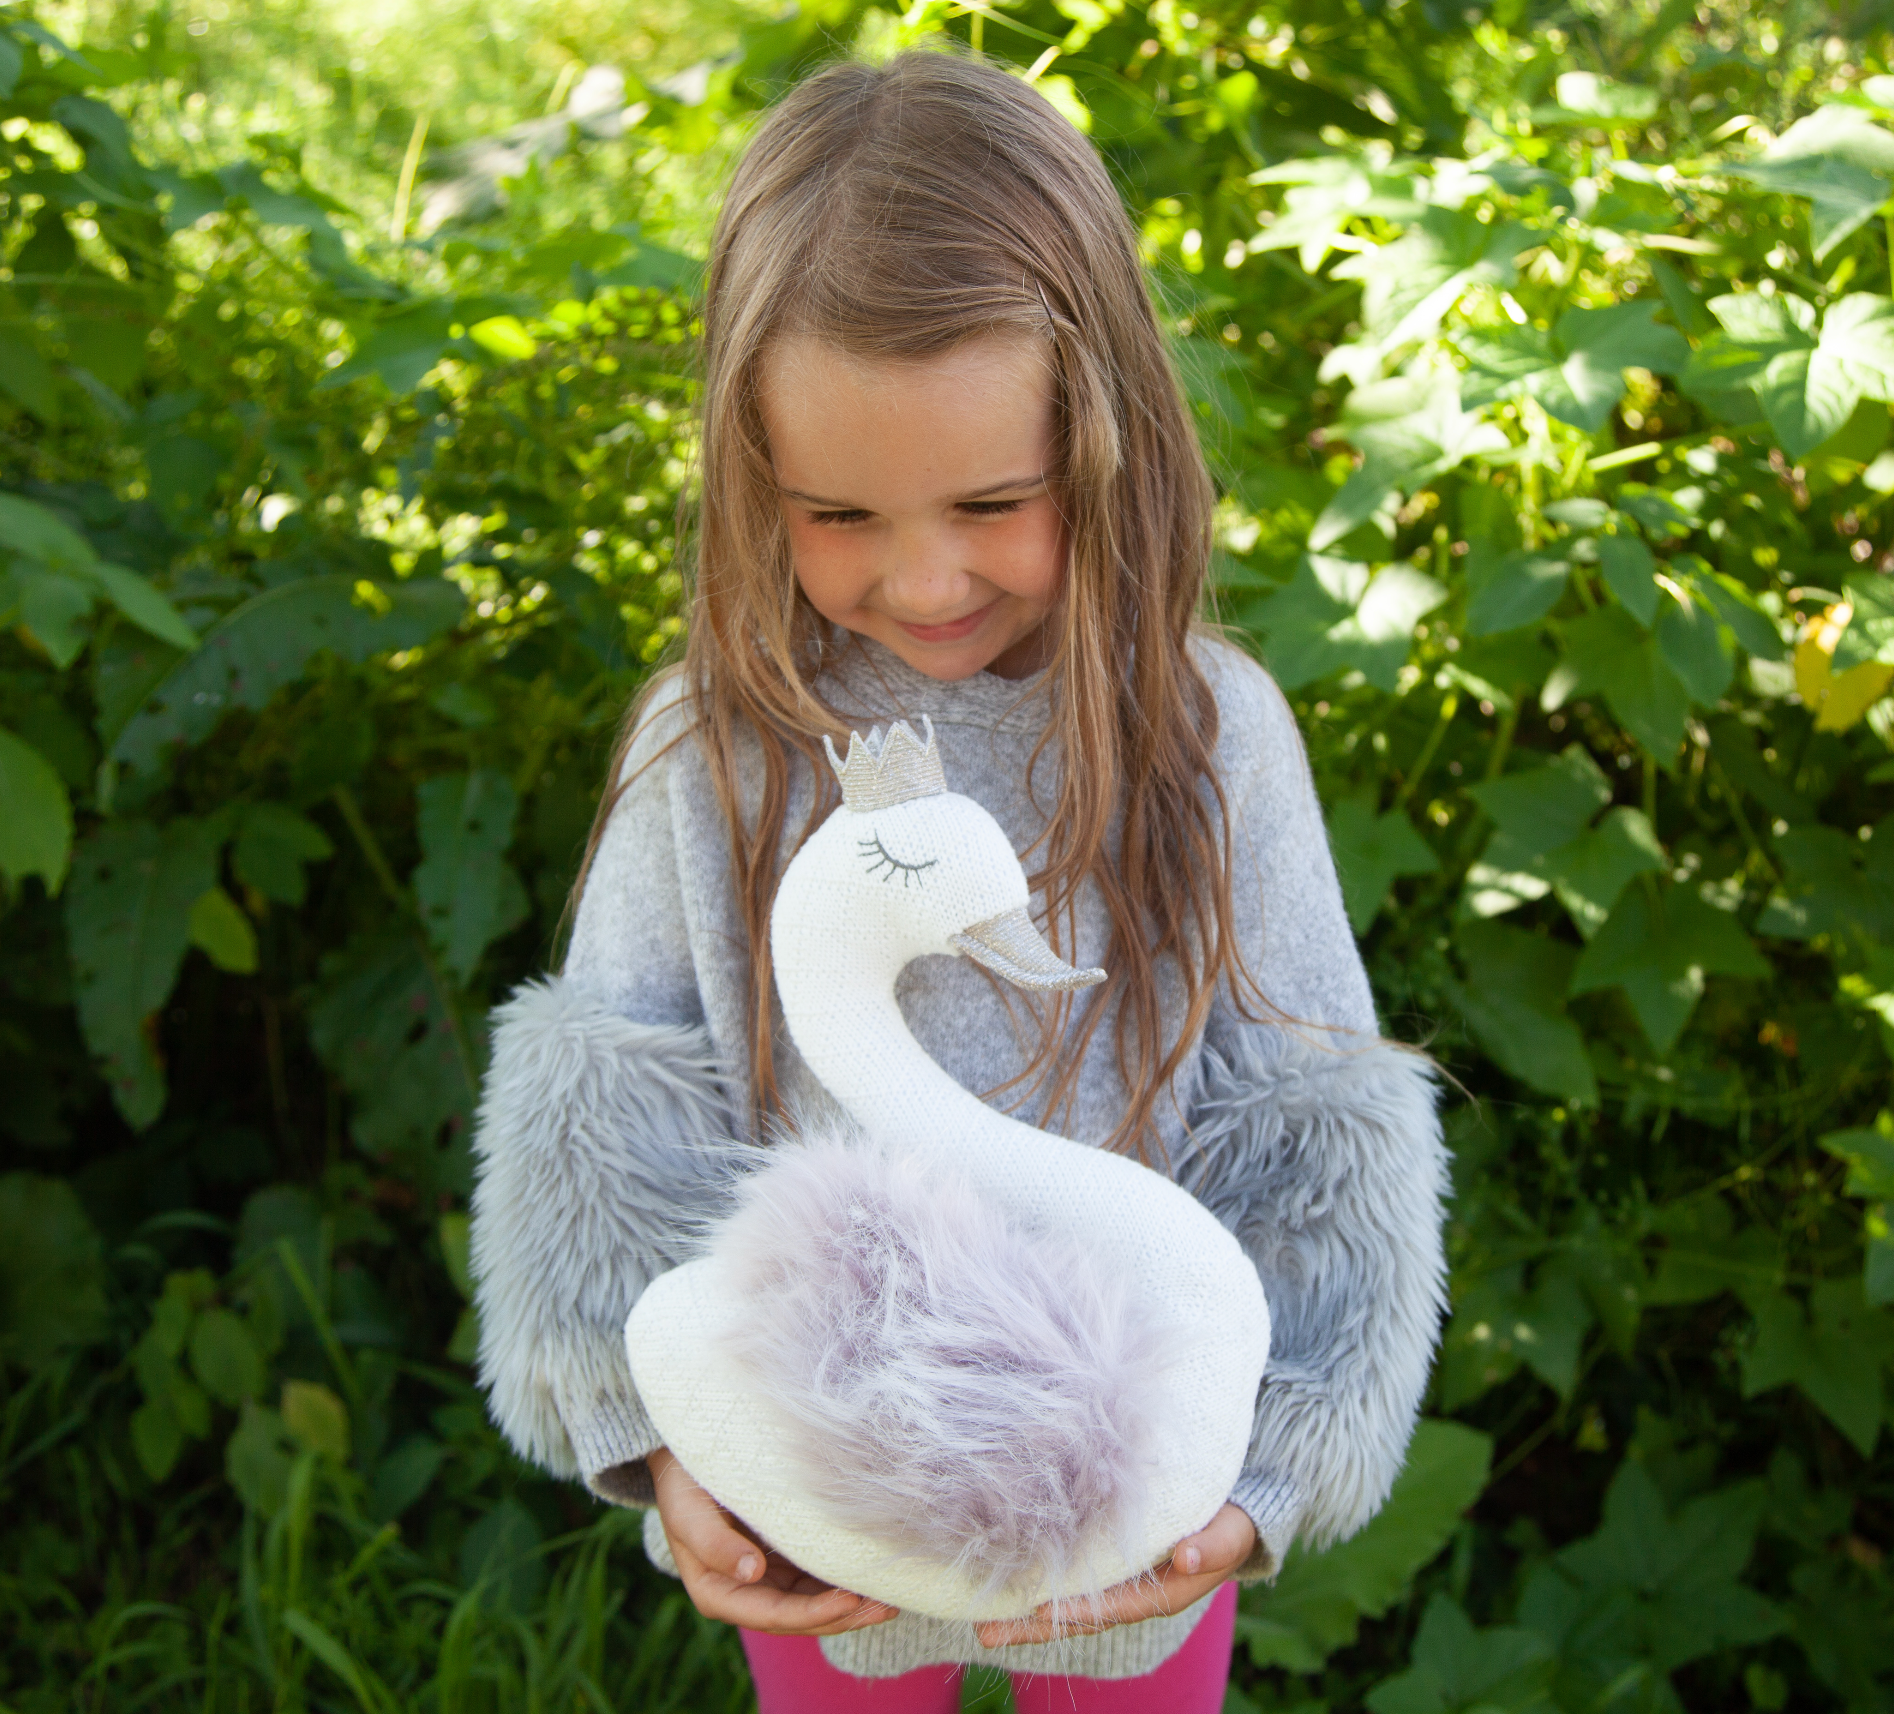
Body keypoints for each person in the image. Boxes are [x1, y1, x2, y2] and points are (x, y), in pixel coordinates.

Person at [468, 49, 1447, 1714]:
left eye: (993, 500)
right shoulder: (712, 744)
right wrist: (657, 1451)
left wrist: (1263, 1478)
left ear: (1108, 435)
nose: (922, 577)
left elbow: (1310, 1116)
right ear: (750, 480)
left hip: (1131, 1533)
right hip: (819, 1529)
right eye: (838, 513)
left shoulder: (1212, 736)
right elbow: (604, 1116)